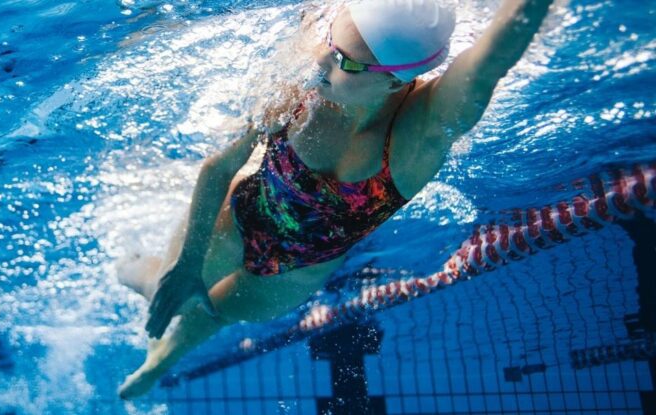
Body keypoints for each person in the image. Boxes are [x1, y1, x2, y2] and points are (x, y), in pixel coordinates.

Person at [117, 0, 556, 399]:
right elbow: (220, 165)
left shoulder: (420, 133)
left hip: (293, 274)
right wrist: (189, 264)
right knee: (169, 284)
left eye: (345, 60)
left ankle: (159, 362)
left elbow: (491, 61)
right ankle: (143, 275)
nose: (323, 59)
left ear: (393, 81)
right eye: (331, 41)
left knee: (209, 315)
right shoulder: (309, 68)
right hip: (236, 215)